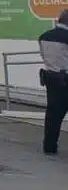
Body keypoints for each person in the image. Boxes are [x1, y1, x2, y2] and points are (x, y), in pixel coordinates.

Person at [38, 9, 68, 155]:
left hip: (50, 79)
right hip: (66, 79)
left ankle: (49, 146)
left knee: (52, 115)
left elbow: (44, 56)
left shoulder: (43, 36)